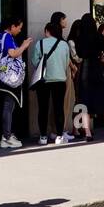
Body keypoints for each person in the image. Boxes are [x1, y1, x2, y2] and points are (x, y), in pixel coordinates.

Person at [69, 15, 104, 141]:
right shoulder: (98, 37)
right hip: (97, 70)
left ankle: (87, 133)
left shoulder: (79, 39)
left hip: (84, 71)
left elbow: (79, 54)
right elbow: (101, 54)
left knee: (84, 103)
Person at [33, 13, 71, 144]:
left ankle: (43, 136)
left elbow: (34, 62)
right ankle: (59, 136)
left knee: (43, 108)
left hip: (43, 81)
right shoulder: (64, 45)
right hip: (60, 80)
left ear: (47, 31)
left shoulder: (40, 44)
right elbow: (66, 63)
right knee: (58, 108)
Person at [0, 16, 33, 148]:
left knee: (9, 106)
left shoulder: (2, 36)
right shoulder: (7, 37)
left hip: (5, 75)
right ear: (12, 26)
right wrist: (24, 45)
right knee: (8, 106)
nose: (19, 30)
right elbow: (13, 53)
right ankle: (6, 137)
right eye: (19, 27)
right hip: (9, 77)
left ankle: (7, 135)